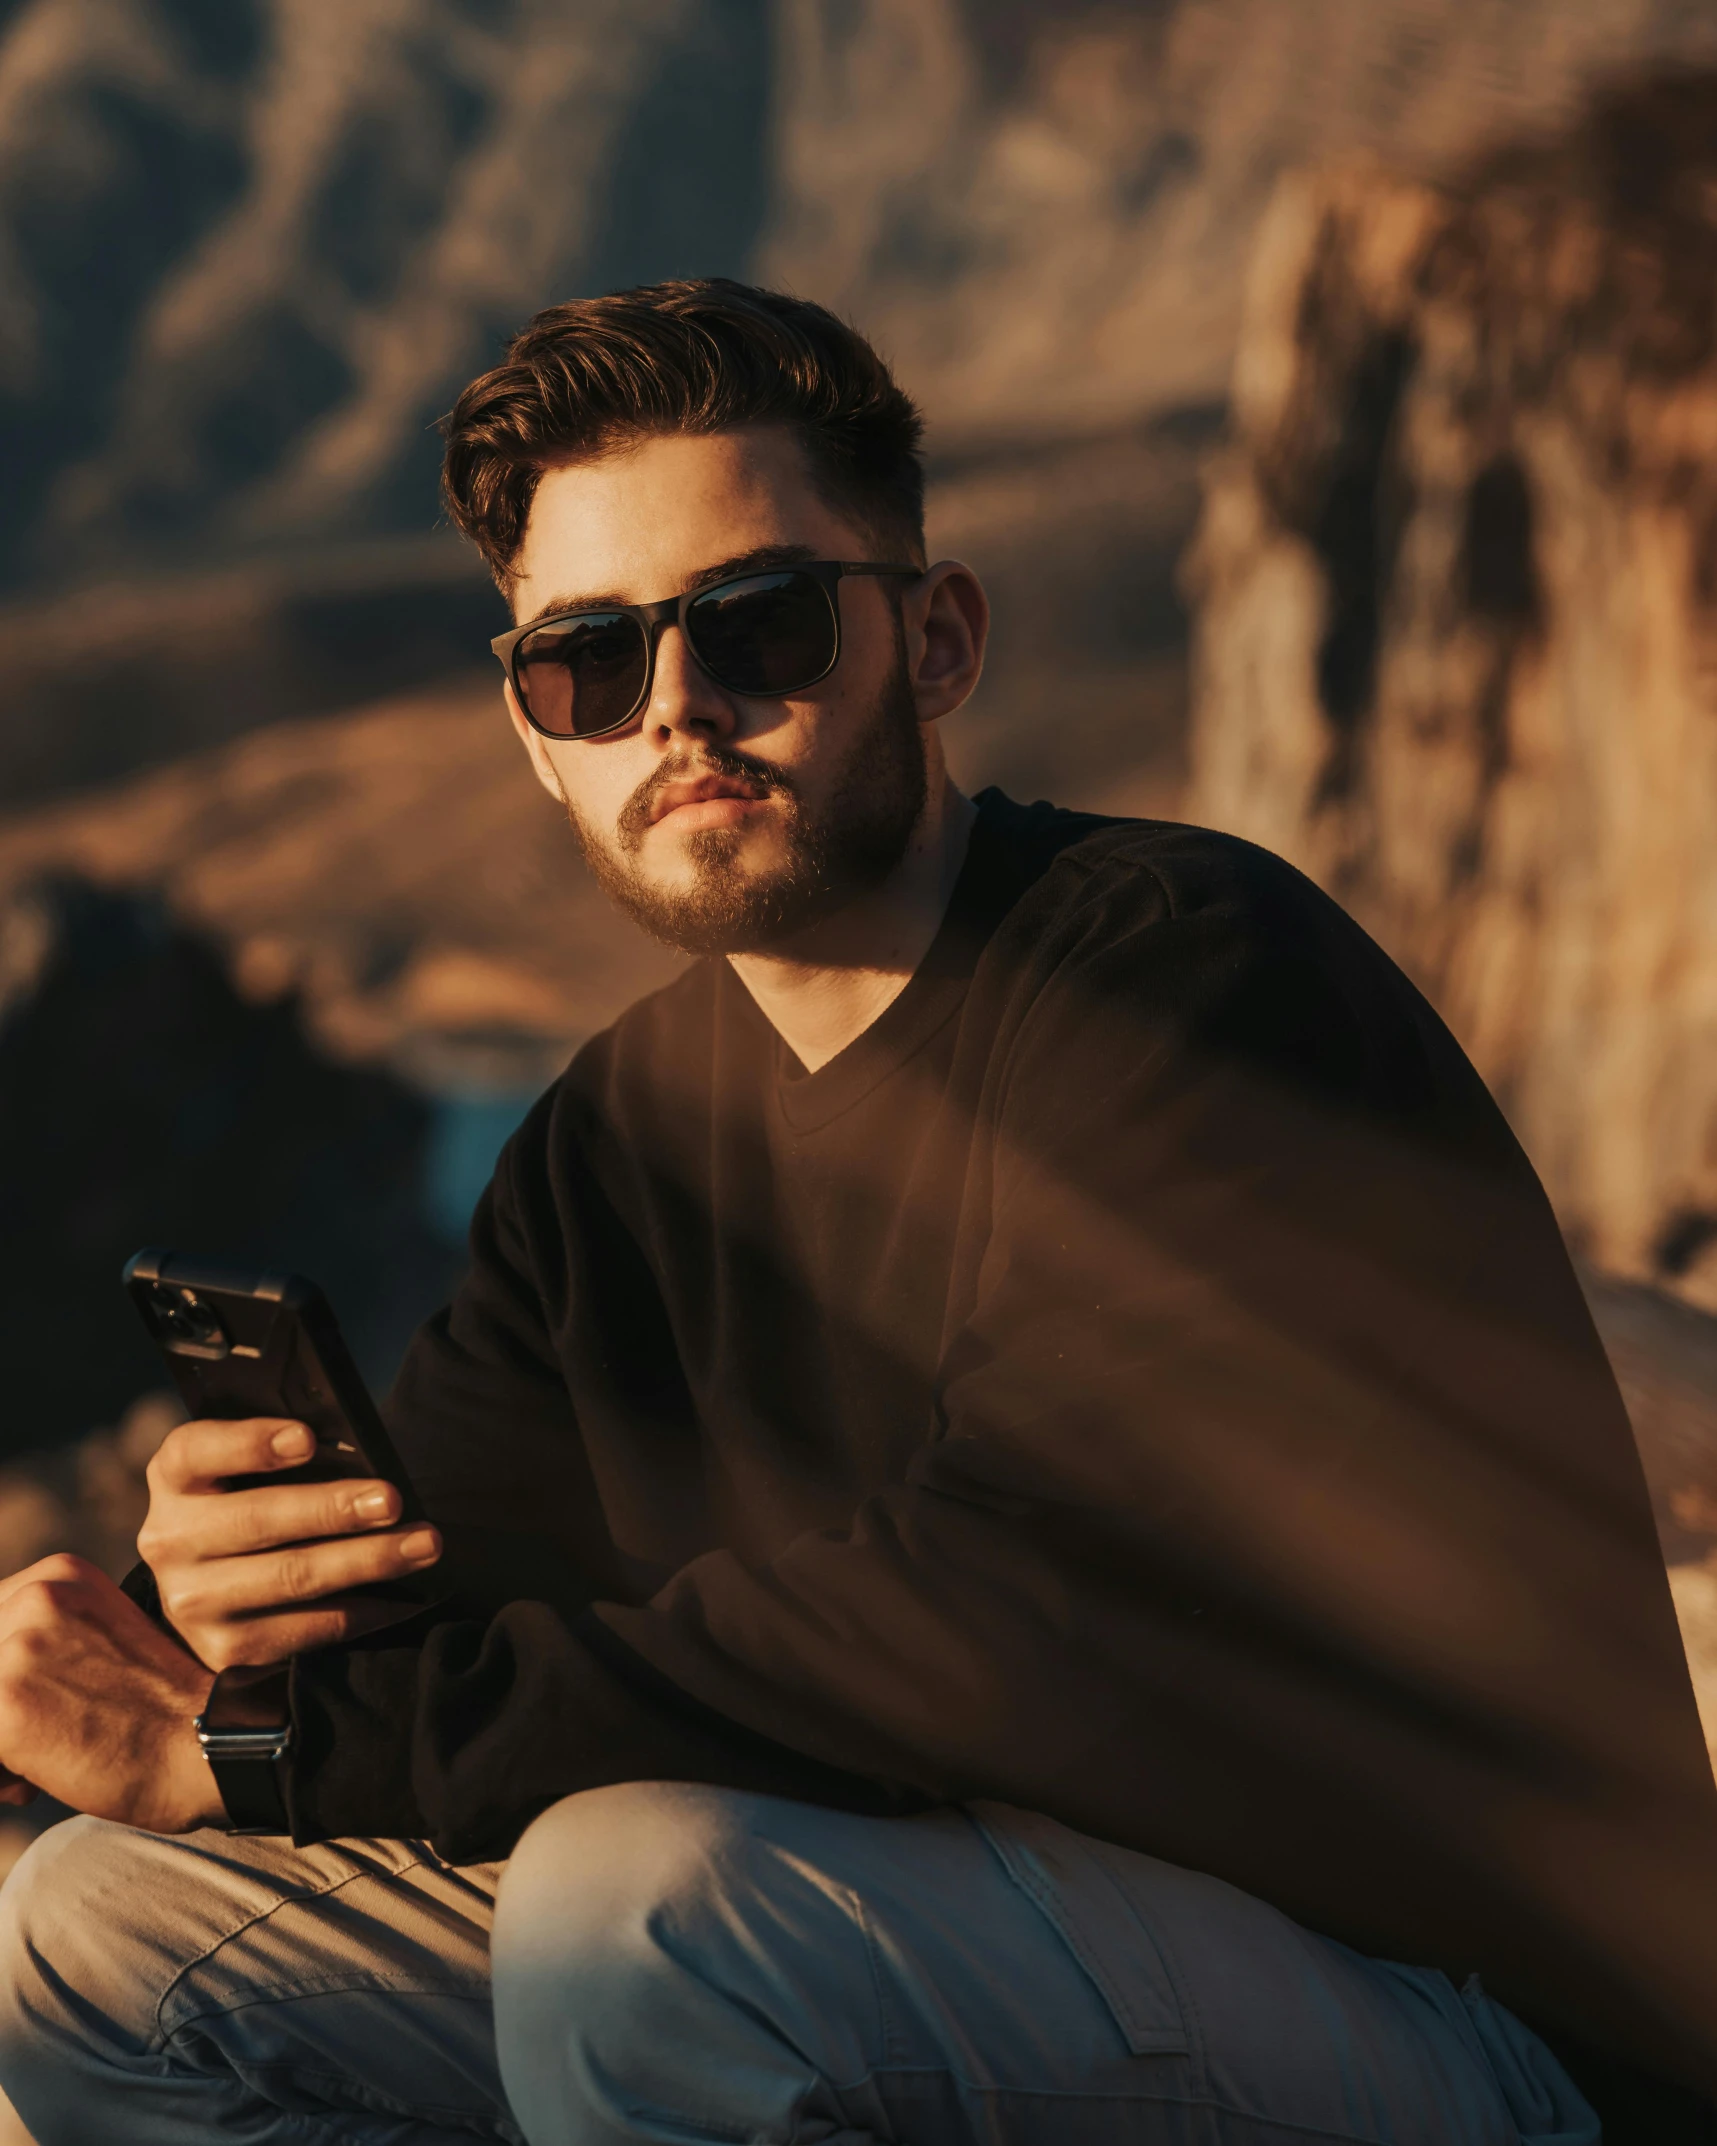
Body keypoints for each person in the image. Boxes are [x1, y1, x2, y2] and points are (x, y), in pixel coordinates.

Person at [0, 280, 1709, 2146]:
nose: (679, 706)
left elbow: (1007, 1610)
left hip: (1465, 2023)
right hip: (972, 1973)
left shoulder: (1184, 979)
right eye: (586, 660)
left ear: (941, 638)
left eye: (762, 622)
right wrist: (232, 1616)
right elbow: (455, 1625)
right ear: (533, 732)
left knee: (638, 1912)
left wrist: (271, 1749)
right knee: (92, 1935)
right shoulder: (615, 1145)